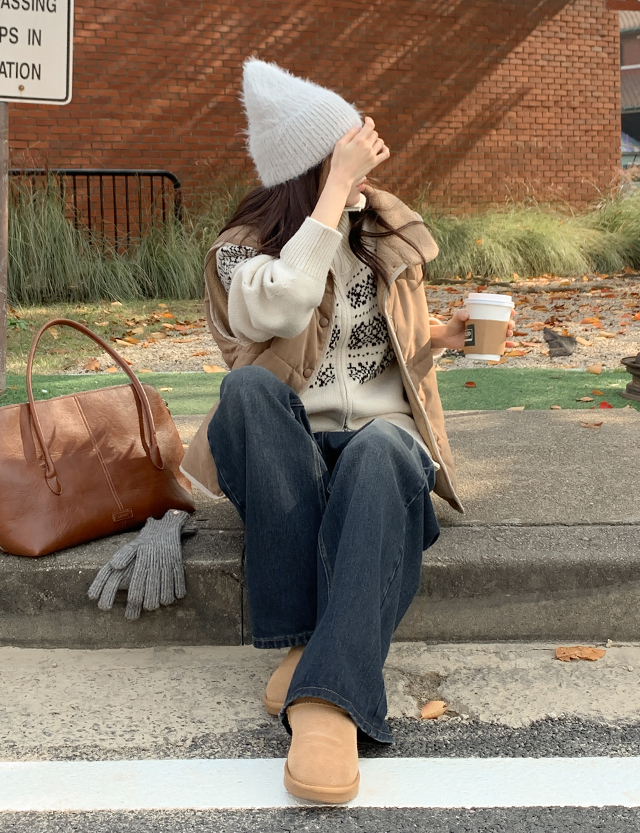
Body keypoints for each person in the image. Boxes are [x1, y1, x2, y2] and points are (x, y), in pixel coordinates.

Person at [181, 58, 513, 804]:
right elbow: (281, 308)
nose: (367, 164)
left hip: (378, 454)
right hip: (289, 455)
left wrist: (443, 337)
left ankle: (324, 699)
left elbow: (385, 351)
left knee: (384, 448)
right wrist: (331, 195)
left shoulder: (384, 232)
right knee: (246, 391)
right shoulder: (243, 251)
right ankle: (311, 642)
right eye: (345, 152)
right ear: (311, 166)